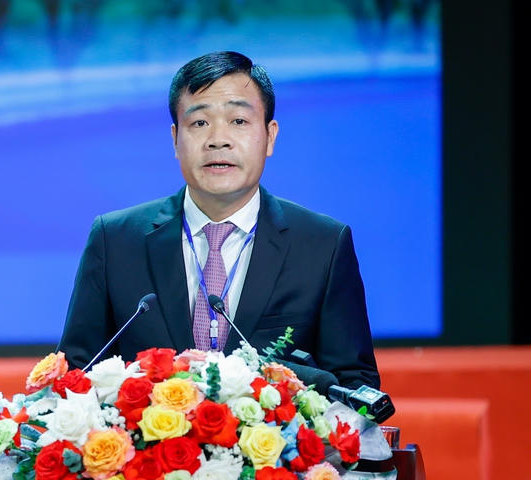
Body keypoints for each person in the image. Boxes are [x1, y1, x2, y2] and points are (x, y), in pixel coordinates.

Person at [56, 51, 380, 391]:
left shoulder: (322, 245)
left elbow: (356, 386)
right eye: (199, 123)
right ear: (175, 139)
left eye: (238, 121)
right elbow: (74, 375)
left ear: (270, 136)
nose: (218, 139)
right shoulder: (116, 240)